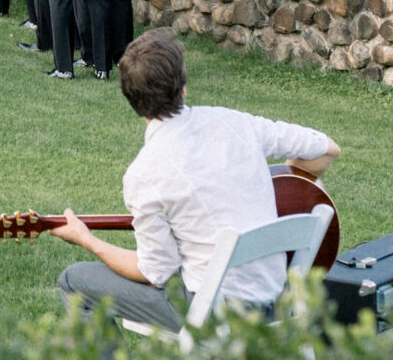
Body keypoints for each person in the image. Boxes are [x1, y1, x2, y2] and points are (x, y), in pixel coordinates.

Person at [49, 32, 339, 331]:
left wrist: (87, 240)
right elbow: (328, 149)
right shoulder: (236, 122)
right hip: (278, 297)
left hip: (213, 313)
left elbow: (154, 272)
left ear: (131, 101)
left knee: (75, 281)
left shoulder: (144, 174)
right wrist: (290, 188)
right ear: (183, 87)